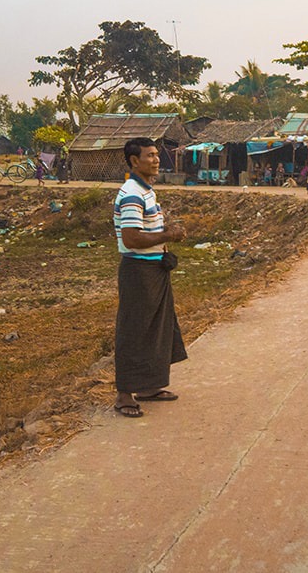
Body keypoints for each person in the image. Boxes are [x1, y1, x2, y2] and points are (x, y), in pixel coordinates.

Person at [112, 137, 188, 418]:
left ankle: (148, 386)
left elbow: (144, 229)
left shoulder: (146, 191)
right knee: (134, 331)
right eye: (150, 156)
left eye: (157, 155)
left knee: (156, 328)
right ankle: (124, 395)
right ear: (134, 161)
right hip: (138, 271)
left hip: (153, 269)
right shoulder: (132, 193)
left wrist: (164, 233)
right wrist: (168, 235)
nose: (156, 160)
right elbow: (131, 238)